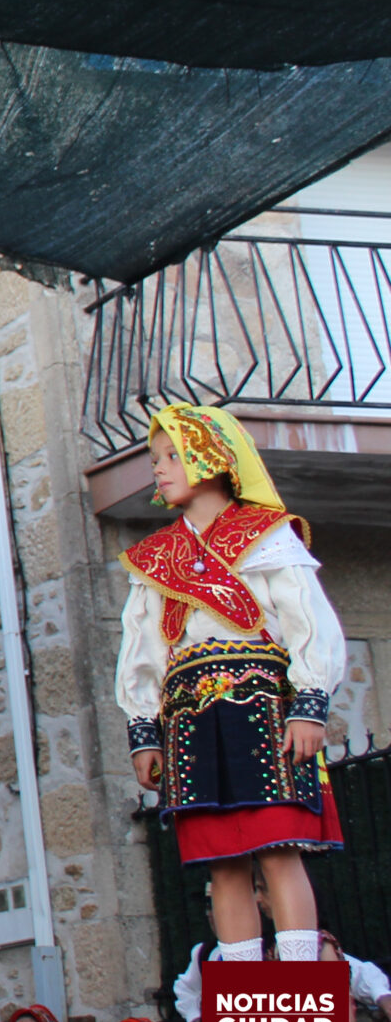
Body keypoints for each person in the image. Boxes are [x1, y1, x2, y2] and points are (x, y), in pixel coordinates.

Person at [118, 404, 344, 970]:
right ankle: (245, 998)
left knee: (279, 852)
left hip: (264, 711)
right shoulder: (156, 558)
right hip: (190, 720)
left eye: (173, 456)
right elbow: (143, 650)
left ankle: (298, 990)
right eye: (155, 458)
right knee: (222, 863)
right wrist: (144, 730)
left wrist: (309, 705)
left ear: (211, 458)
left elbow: (308, 622)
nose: (159, 468)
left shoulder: (268, 536)